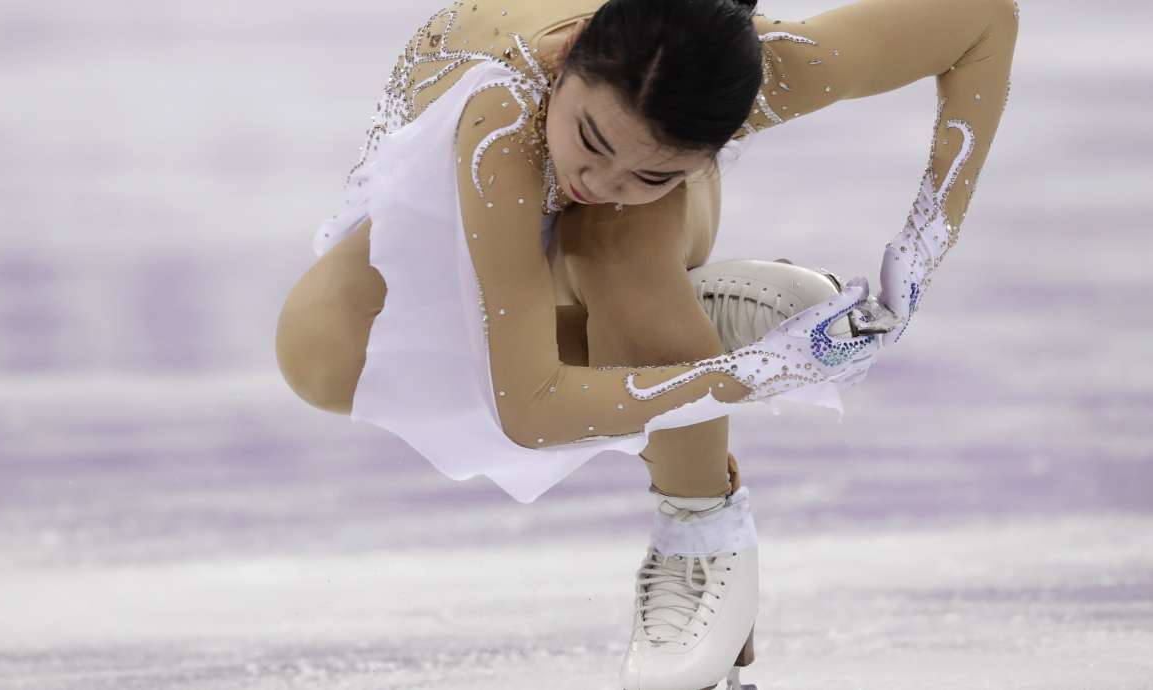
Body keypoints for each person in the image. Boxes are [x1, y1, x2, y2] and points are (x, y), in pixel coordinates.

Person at [275, 0, 1018, 687]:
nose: (600, 180)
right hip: (487, 180)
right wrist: (758, 370)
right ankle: (698, 328)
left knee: (615, 248)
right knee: (322, 357)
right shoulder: (504, 120)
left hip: (628, 225)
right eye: (592, 141)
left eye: (653, 171)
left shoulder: (764, 71)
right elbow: (529, 412)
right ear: (570, 51)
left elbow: (981, 18)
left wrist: (923, 246)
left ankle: (701, 532)